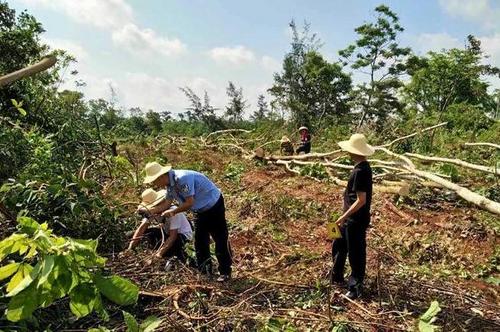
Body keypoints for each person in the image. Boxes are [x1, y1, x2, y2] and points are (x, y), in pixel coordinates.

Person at [139, 162, 232, 282]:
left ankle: (225, 272)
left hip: (213, 206)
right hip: (200, 210)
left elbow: (189, 202)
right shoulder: (170, 186)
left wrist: (174, 212)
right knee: (200, 241)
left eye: (154, 181)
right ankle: (205, 272)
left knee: (220, 238)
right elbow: (166, 204)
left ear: (160, 177)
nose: (154, 184)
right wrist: (148, 211)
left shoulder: (182, 179)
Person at [331, 133, 374, 300]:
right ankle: (336, 276)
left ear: (354, 152)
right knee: (339, 245)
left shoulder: (360, 171)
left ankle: (355, 288)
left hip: (355, 220)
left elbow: (361, 200)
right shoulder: (362, 168)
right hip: (349, 218)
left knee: (356, 254)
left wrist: (343, 217)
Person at [128, 188, 193, 264]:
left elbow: (173, 236)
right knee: (144, 233)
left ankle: (169, 254)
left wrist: (158, 255)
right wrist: (130, 248)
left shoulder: (173, 211)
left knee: (175, 244)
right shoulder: (152, 212)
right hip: (167, 234)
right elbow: (141, 229)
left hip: (182, 237)